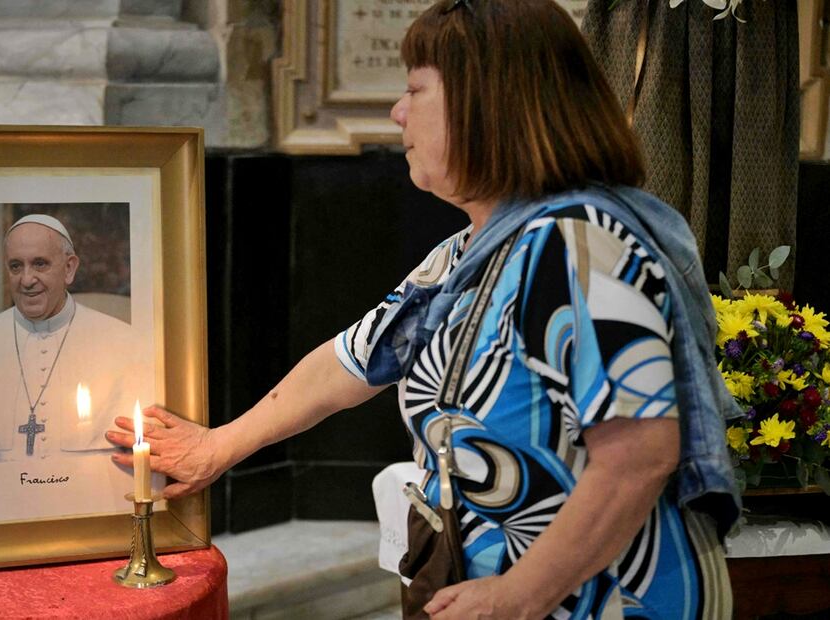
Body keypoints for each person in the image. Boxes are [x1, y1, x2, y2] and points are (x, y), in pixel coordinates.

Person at [108, 1, 740, 617]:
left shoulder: (579, 246)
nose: (397, 111)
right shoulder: (467, 251)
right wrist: (216, 447)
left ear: (484, 103)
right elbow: (347, 364)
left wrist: (519, 596)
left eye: (415, 90)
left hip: (608, 600)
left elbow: (640, 456)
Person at [0, 214, 148, 465]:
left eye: (40, 264)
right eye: (15, 266)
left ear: (69, 268)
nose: (27, 279)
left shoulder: (127, 345)